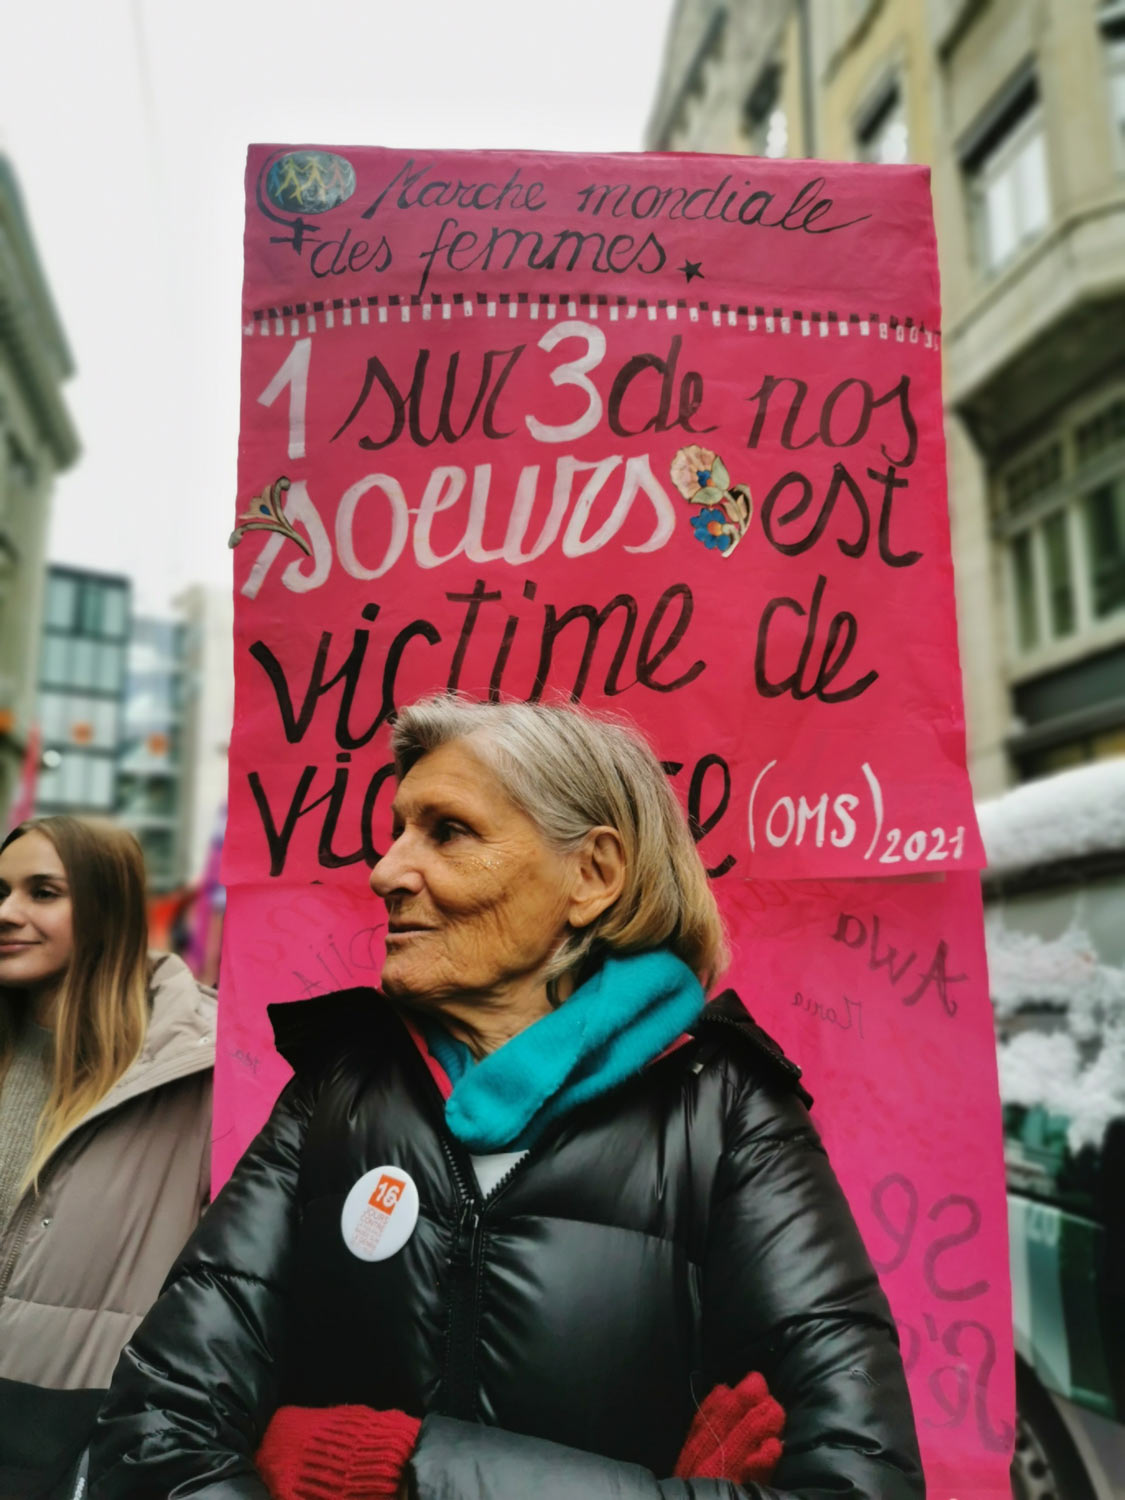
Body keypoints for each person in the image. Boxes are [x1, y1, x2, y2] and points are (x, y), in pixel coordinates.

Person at [89, 696, 924, 1499]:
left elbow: (861, 1483)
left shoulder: (729, 1115)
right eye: (397, 833)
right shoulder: (337, 1092)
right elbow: (156, 1429)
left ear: (592, 874)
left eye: (447, 832)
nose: (384, 873)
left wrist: (402, 1470)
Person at [0, 817, 216, 1500]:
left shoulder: (198, 1069)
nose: (6, 913)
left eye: (42, 892)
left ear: (108, 908)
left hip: (69, 1430)